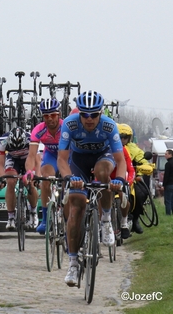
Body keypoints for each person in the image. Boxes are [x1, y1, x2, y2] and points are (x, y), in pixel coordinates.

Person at [58, 90, 126, 287]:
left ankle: (105, 220)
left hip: (103, 157)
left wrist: (120, 179)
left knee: (102, 173)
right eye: (85, 114)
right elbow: (62, 159)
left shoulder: (108, 125)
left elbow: (120, 160)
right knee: (76, 206)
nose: (89, 119)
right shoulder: (70, 124)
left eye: (94, 114)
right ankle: (72, 263)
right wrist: (69, 178)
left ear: (100, 113)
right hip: (78, 161)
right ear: (79, 113)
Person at [24, 98, 62, 235]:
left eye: (53, 115)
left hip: (67, 157)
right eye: (46, 116)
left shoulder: (66, 128)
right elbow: (31, 155)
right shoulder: (39, 130)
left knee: (68, 183)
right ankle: (45, 220)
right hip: (51, 157)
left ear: (59, 115)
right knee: (45, 179)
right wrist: (29, 171)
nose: (50, 119)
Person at [0, 127, 39, 231]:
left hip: (28, 159)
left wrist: (37, 176)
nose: (17, 149)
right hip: (13, 159)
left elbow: (37, 161)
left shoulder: (31, 139)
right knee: (10, 181)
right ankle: (11, 217)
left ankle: (33, 211)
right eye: (14, 147)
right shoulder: (2, 141)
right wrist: (2, 178)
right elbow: (0, 164)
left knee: (29, 182)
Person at [118, 123, 151, 234]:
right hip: (112, 176)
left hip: (130, 177)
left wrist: (144, 166)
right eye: (120, 136)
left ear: (129, 138)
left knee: (141, 193)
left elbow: (143, 160)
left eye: (125, 137)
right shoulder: (110, 145)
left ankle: (135, 219)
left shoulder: (134, 149)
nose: (122, 139)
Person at [163, 149, 173, 215]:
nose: (165, 155)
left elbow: (166, 175)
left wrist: (163, 185)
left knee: (168, 200)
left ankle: (168, 214)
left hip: (169, 184)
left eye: (166, 154)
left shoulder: (168, 164)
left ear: (170, 154)